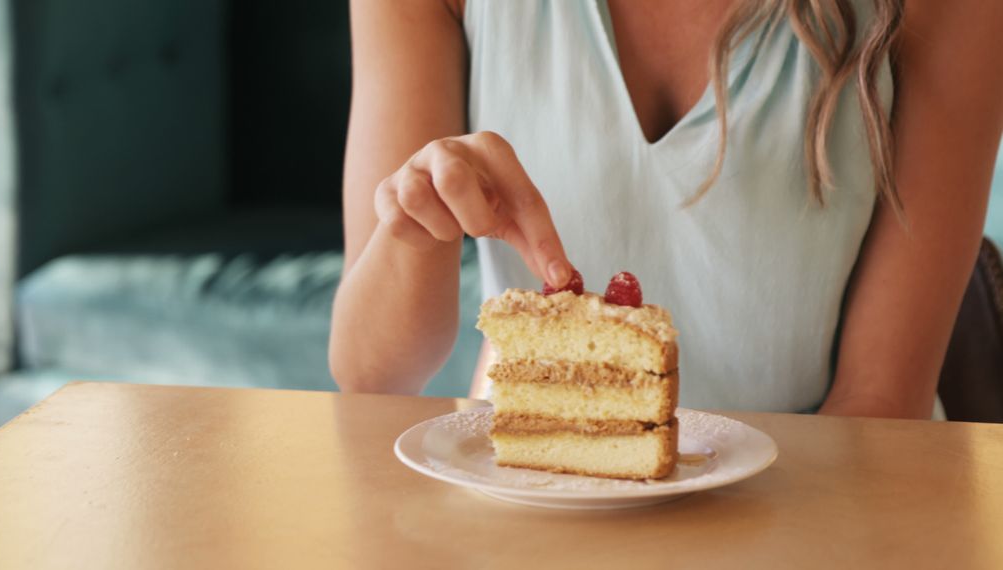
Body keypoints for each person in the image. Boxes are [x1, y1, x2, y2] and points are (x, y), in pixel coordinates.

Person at [329, 0, 1003, 419]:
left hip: (827, 501)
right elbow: (370, 373)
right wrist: (415, 228)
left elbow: (881, 401)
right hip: (539, 499)